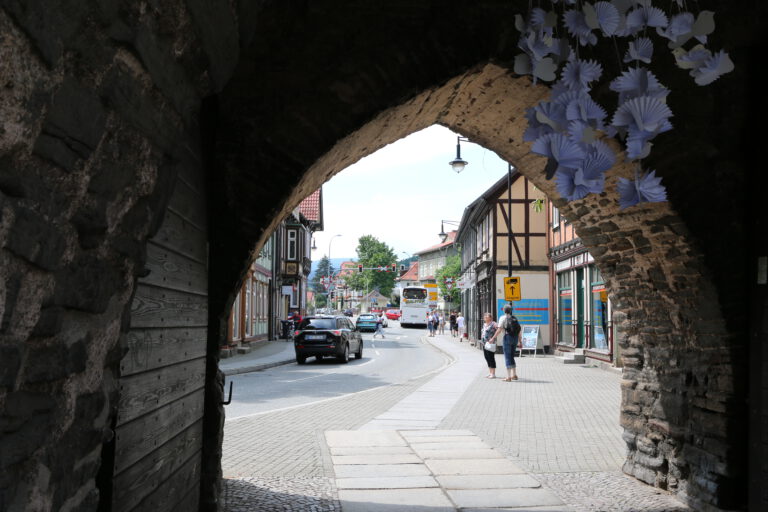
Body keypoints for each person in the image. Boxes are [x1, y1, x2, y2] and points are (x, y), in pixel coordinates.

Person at [489, 304, 522, 381]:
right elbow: (519, 331)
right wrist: (520, 341)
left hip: (507, 338)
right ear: (511, 311)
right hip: (515, 338)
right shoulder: (514, 318)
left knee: (507, 357)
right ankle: (514, 375)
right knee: (512, 356)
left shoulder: (502, 318)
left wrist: (493, 338)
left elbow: (499, 330)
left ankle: (508, 377)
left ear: (504, 310)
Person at [480, 312, 498, 378]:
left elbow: (499, 329)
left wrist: (493, 338)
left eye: (486, 317)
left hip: (490, 343)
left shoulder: (494, 324)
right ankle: (490, 372)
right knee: (487, 357)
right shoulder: (484, 324)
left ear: (490, 317)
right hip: (484, 343)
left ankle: (493, 374)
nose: (485, 317)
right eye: (484, 316)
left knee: (491, 357)